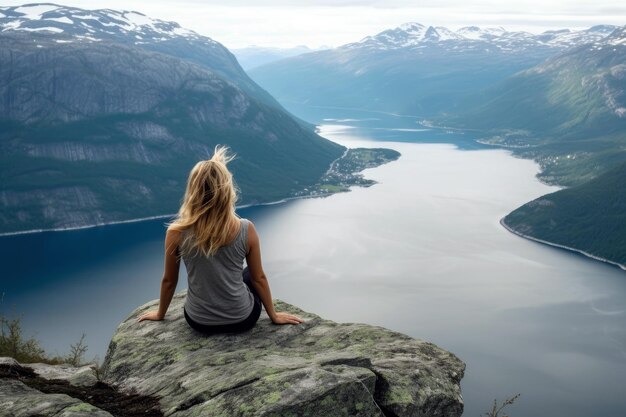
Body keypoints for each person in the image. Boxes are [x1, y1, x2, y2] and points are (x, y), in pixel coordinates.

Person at [137, 145, 304, 332]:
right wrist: (273, 315)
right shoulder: (246, 229)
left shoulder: (176, 233)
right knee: (248, 274)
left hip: (199, 322)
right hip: (243, 319)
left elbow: (169, 280)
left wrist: (160, 314)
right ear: (227, 191)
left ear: (193, 191)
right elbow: (259, 279)